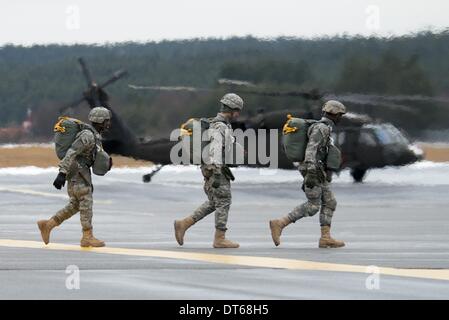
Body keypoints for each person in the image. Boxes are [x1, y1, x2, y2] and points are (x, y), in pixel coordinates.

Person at [270, 100, 347, 248]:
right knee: (313, 206)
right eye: (340, 115)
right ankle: (279, 223)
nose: (340, 118)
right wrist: (311, 172)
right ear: (335, 114)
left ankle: (325, 238)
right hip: (312, 168)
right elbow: (311, 150)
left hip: (318, 169)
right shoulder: (321, 128)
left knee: (330, 202)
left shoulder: (325, 128)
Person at [174, 93, 243, 248]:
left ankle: (183, 224)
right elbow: (216, 149)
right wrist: (218, 172)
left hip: (210, 168)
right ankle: (220, 238)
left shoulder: (217, 124)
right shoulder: (220, 126)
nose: (238, 114)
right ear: (231, 109)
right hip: (215, 169)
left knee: (214, 202)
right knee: (224, 201)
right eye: (237, 110)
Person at [37, 107, 112, 247]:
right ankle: (87, 236)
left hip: (79, 171)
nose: (109, 124)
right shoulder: (87, 136)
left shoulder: (94, 135)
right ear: (100, 121)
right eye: (107, 121)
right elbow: (71, 152)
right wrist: (62, 172)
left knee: (76, 204)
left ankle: (48, 225)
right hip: (78, 172)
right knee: (86, 201)